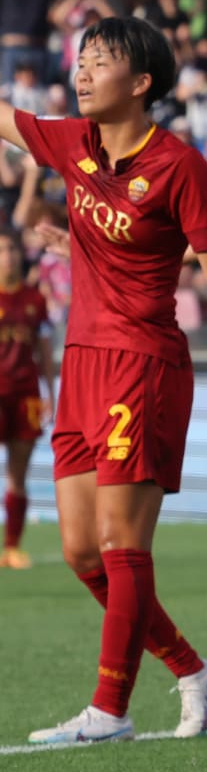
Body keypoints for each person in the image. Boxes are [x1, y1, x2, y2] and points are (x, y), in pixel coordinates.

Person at [0, 15, 207, 744]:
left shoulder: (183, 167)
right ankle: (193, 670)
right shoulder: (71, 143)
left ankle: (110, 710)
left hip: (143, 364)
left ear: (143, 82)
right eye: (80, 59)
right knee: (81, 554)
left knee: (123, 543)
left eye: (101, 60)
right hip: (80, 363)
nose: (82, 71)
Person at [0, 228, 55, 568]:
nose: (10, 256)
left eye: (13, 250)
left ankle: (12, 547)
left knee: (19, 473)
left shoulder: (35, 300)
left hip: (25, 394)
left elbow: (45, 349)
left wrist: (51, 390)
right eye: (4, 250)